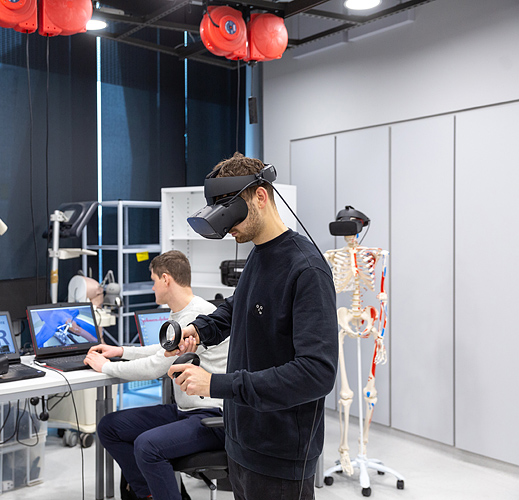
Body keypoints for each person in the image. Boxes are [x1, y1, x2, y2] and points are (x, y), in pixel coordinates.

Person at [167, 153, 338, 500]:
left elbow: (316, 374)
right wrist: (202, 330)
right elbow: (240, 305)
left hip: (280, 457)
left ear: (260, 196)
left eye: (231, 212)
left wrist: (216, 384)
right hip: (242, 443)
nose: (228, 227)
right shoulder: (259, 253)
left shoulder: (307, 270)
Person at [84, 250, 228, 500]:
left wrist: (105, 366)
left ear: (165, 279)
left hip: (211, 417)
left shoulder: (198, 316)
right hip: (185, 411)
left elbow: (155, 366)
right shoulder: (181, 312)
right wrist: (121, 351)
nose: (152, 288)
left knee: (147, 446)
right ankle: (150, 494)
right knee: (110, 427)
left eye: (153, 281)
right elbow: (163, 351)